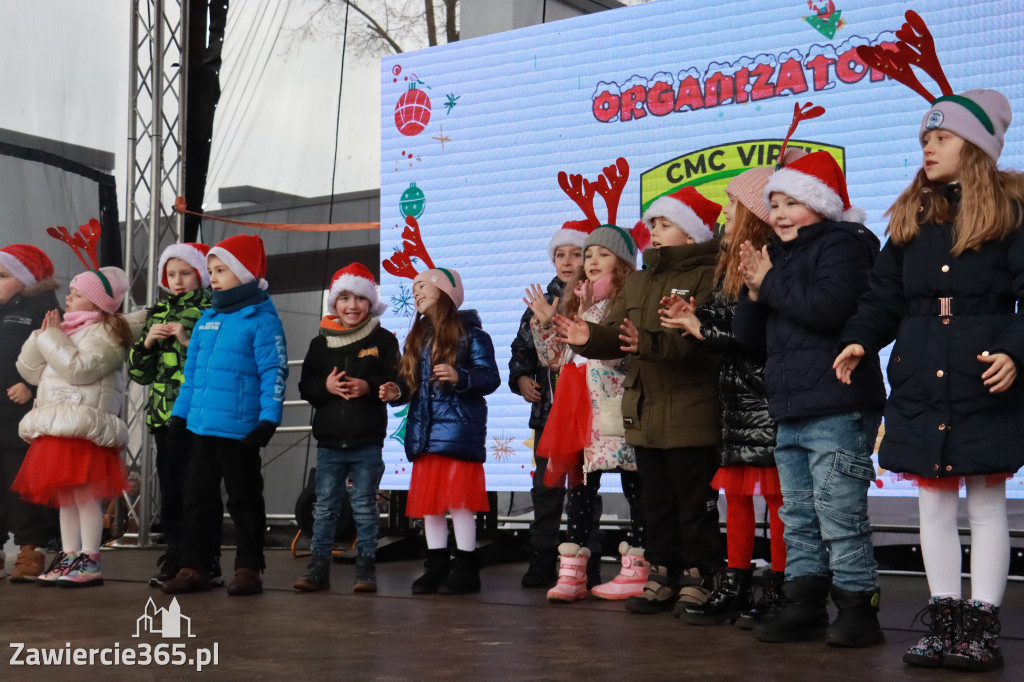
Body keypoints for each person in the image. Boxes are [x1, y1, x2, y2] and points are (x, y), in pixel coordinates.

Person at [835, 88, 1022, 671]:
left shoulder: (1012, 212)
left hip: (982, 375)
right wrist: (861, 337)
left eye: (941, 137)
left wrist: (1016, 351)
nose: (929, 148)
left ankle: (981, 623)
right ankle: (944, 620)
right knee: (933, 502)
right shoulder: (914, 215)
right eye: (924, 139)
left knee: (987, 501)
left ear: (976, 146)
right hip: (919, 374)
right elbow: (884, 293)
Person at [731, 150, 887, 647]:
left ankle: (859, 607)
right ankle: (803, 604)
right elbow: (747, 339)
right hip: (791, 405)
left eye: (791, 201)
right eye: (773, 202)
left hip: (838, 404)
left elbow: (828, 309)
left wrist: (771, 283)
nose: (777, 213)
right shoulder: (776, 256)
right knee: (797, 513)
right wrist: (753, 292)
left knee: (839, 511)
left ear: (823, 204)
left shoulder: (847, 243)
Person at [556, 187, 724, 616]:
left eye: (665, 224)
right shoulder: (641, 279)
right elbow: (616, 330)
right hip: (645, 408)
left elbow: (696, 342)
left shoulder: (711, 275)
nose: (655, 231)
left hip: (692, 409)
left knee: (692, 502)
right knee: (656, 501)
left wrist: (644, 341)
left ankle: (699, 576)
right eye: (653, 224)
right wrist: (589, 337)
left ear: (692, 234)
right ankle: (663, 572)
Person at [659, 161, 793, 626]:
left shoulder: (769, 259)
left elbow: (752, 336)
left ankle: (778, 583)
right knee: (736, 496)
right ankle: (735, 579)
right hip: (735, 397)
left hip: (764, 394)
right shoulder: (728, 262)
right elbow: (725, 325)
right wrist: (692, 318)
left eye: (734, 206)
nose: (724, 214)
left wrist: (701, 328)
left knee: (776, 497)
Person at [161, 234, 288, 597]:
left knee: (244, 498)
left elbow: (274, 372)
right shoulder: (207, 320)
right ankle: (194, 567)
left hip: (240, 429)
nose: (212, 276)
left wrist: (268, 419)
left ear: (244, 273)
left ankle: (249, 568)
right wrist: (179, 417)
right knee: (197, 498)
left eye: (221, 269)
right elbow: (193, 375)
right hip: (201, 427)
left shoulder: (261, 319)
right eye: (212, 270)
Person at [527, 225, 645, 602]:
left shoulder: (628, 300)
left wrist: (591, 337)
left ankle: (637, 567)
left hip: (615, 405)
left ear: (623, 262)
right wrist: (547, 323)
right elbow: (555, 359)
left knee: (635, 486)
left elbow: (620, 353)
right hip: (578, 409)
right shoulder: (577, 301)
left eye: (602, 254)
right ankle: (573, 572)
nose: (591, 261)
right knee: (579, 489)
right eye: (588, 254)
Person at [12, 262, 142, 587]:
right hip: (56, 423)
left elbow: (78, 370)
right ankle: (70, 557)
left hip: (84, 426)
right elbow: (29, 370)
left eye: (77, 294)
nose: (68, 298)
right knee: (65, 499)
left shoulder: (107, 332)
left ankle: (90, 559)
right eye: (69, 292)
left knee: (85, 497)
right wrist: (42, 336)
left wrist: (53, 337)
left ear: (98, 303)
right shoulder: (64, 329)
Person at [379, 267, 500, 596]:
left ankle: (466, 566)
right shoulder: (417, 337)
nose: (416, 292)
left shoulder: (473, 336)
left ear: (445, 293)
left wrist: (461, 377)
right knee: (429, 504)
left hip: (458, 435)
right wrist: (397, 392)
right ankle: (435, 565)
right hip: (425, 435)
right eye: (414, 287)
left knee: (460, 503)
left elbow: (490, 378)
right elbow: (411, 383)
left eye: (423, 286)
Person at [292, 263, 400, 594]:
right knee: (325, 506)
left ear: (371, 303)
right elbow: (305, 387)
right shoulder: (319, 344)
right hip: (328, 443)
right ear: (334, 303)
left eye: (359, 298)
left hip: (367, 441)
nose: (352, 306)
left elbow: (397, 380)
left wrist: (370, 387)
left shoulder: (384, 340)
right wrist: (325, 386)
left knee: (365, 506)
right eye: (345, 298)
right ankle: (318, 570)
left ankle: (365, 570)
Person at [127, 242, 218, 587]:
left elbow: (214, 361)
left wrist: (185, 339)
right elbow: (140, 375)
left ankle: (204, 561)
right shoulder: (157, 311)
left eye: (185, 273)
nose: (177, 280)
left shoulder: (212, 309)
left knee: (200, 489)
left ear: (201, 274)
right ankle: (175, 555)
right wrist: (146, 343)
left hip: (200, 416)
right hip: (164, 417)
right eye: (171, 274)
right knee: (172, 489)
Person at [509, 226, 584, 588]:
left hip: (585, 411)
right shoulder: (540, 301)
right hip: (548, 414)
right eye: (560, 255)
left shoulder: (593, 296)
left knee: (584, 489)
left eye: (576, 253)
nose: (568, 262)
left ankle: (584, 561)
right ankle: (541, 561)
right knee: (545, 487)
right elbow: (520, 351)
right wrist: (522, 379)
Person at [0, 244, 60, 582]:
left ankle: (30, 549)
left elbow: (59, 357)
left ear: (25, 280)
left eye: (4, 275)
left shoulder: (43, 309)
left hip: (22, 417)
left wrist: (31, 387)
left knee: (22, 486)